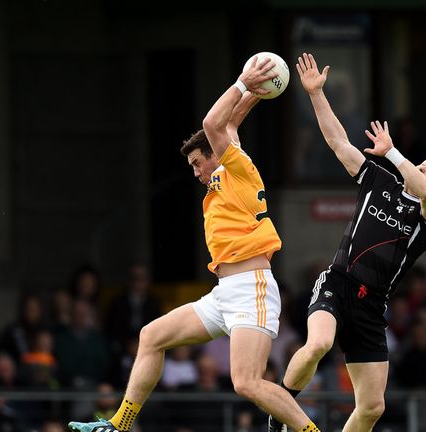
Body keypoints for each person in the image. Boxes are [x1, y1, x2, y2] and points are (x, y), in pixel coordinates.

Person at [68, 56, 322, 432]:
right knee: (151, 336)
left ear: (215, 155)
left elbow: (214, 124)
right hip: (226, 292)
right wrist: (253, 91)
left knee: (247, 382)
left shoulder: (236, 167)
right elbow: (230, 122)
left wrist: (241, 81)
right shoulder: (226, 167)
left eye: (197, 163)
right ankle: (118, 425)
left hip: (252, 286)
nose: (196, 172)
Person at [268, 53, 426, 432]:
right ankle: (278, 417)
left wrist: (392, 151)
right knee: (319, 345)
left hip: (372, 306)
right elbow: (338, 142)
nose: (419, 169)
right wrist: (315, 94)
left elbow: (425, 192)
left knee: (372, 407)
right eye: (422, 164)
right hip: (338, 282)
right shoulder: (380, 181)